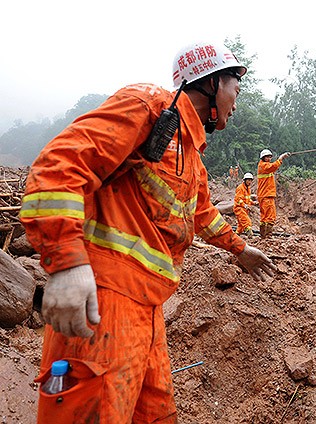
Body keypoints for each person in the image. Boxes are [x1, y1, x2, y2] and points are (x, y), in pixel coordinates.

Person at [19, 40, 276, 423]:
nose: (236, 101)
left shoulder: (190, 154)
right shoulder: (148, 108)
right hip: (106, 302)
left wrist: (240, 249)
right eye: (235, 88)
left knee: (154, 414)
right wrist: (66, 264)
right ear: (212, 83)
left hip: (148, 311)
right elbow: (60, 165)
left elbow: (202, 213)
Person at [257, 148, 290, 237]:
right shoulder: (264, 166)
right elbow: (273, 166)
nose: (269, 158)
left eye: (270, 157)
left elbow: (272, 167)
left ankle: (263, 235)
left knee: (264, 217)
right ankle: (268, 235)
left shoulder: (262, 166)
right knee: (270, 216)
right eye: (267, 157)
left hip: (263, 195)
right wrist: (281, 158)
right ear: (263, 157)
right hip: (266, 195)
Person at [234, 172, 257, 237]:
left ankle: (236, 235)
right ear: (245, 180)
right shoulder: (240, 188)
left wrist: (253, 203)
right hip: (239, 208)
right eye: (248, 180)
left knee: (241, 225)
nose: (249, 182)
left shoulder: (248, 189)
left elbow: (248, 199)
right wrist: (244, 205)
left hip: (244, 209)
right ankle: (250, 235)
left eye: (250, 180)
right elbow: (238, 199)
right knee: (247, 221)